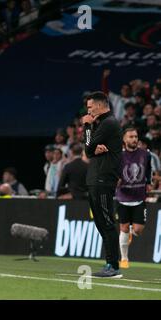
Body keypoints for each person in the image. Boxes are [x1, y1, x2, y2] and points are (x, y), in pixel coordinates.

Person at [82, 91, 122, 278]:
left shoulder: (108, 123)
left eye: (90, 107)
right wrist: (91, 146)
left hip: (103, 179)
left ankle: (113, 266)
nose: (88, 110)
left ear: (99, 105)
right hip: (95, 179)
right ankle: (109, 263)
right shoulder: (102, 124)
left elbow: (88, 149)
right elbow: (89, 150)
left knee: (106, 222)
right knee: (100, 223)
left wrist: (87, 127)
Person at [116, 128, 151, 269]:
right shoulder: (119, 156)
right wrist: (116, 180)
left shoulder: (145, 154)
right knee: (123, 227)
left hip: (139, 197)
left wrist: (148, 183)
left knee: (138, 230)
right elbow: (114, 173)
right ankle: (124, 259)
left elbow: (148, 169)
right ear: (124, 140)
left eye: (136, 136)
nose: (134, 139)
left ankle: (132, 231)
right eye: (130, 137)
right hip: (123, 197)